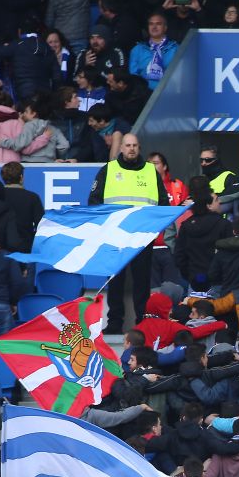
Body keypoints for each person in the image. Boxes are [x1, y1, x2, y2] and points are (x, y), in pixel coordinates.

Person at [88, 133, 168, 333]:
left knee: (142, 283)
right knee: (115, 282)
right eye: (128, 145)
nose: (131, 149)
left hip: (142, 237)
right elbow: (94, 202)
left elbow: (163, 204)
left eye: (135, 145)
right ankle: (115, 323)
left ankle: (142, 324)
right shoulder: (108, 170)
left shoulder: (151, 171)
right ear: (121, 148)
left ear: (139, 148)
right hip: (115, 237)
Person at [128, 13, 178, 91]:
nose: (154, 27)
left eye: (158, 24)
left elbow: (179, 75)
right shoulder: (137, 49)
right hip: (144, 94)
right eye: (151, 24)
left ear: (165, 28)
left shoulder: (176, 49)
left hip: (169, 92)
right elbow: (134, 76)